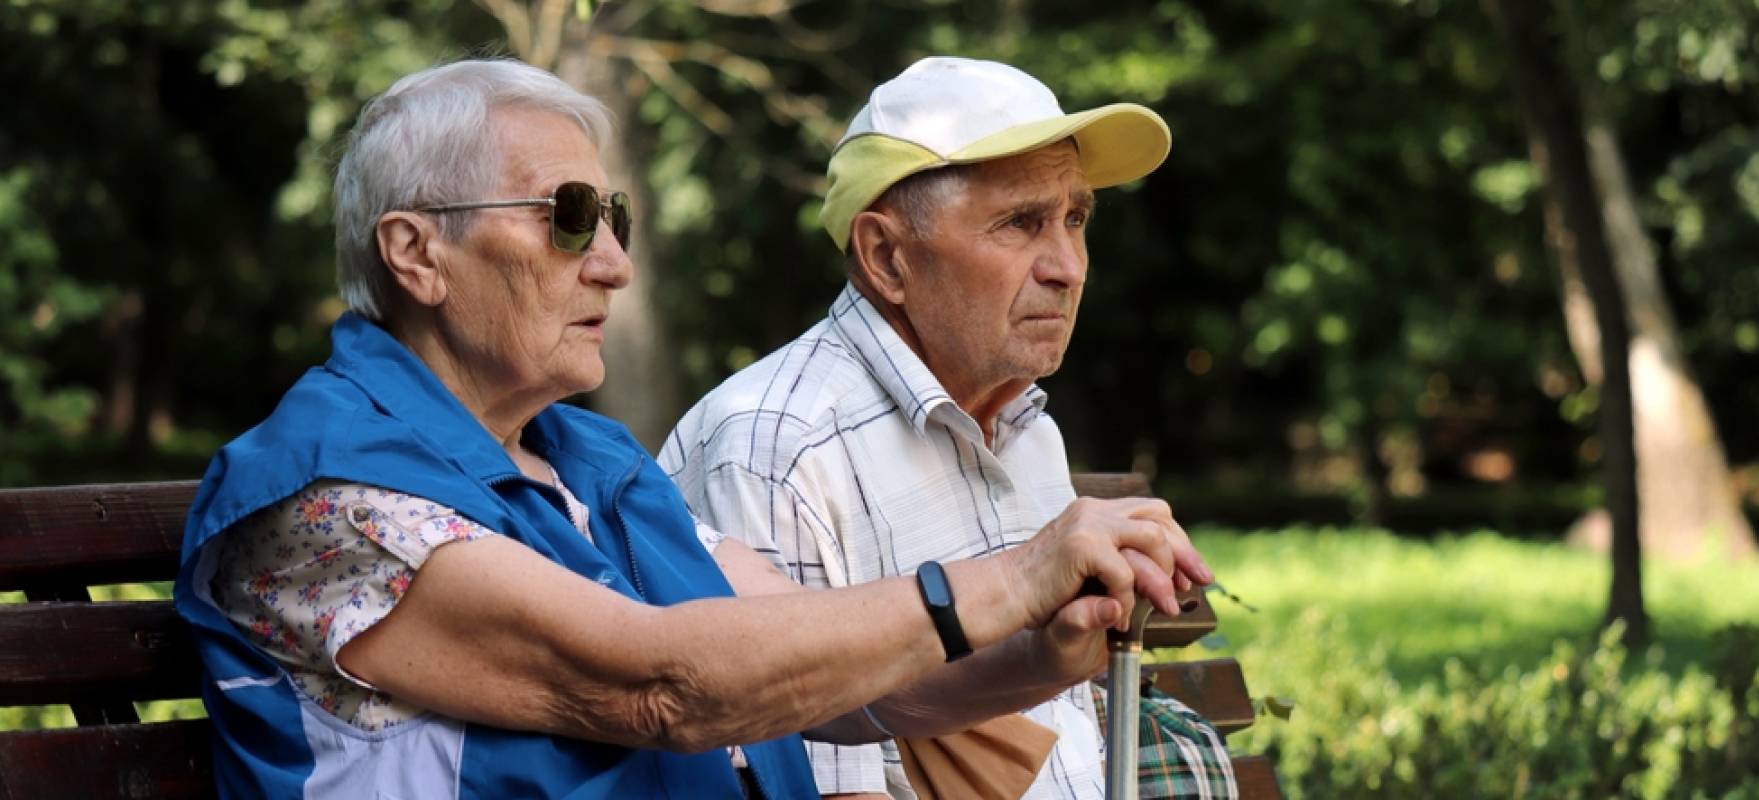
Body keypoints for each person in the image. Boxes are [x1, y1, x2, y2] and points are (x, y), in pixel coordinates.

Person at [173, 58, 1210, 799]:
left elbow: (839, 684)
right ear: (416, 253)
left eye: (614, 217)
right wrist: (1016, 577)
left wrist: (1043, 653)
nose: (614, 262)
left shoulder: (588, 460)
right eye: (569, 216)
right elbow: (657, 681)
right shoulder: (324, 496)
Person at [659, 56, 1235, 799]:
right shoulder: (775, 447)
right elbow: (826, 788)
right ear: (886, 257)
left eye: (1075, 219)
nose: (1068, 266)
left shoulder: (1024, 425)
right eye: (1021, 223)